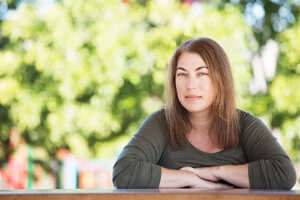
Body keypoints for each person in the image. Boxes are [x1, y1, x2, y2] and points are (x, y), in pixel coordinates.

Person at [112, 37, 297, 189]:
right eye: (182, 74)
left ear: (220, 79)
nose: (190, 85)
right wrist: (189, 179)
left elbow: (284, 174)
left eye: (202, 74)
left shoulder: (245, 125)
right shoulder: (162, 122)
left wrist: (215, 172)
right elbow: (123, 172)